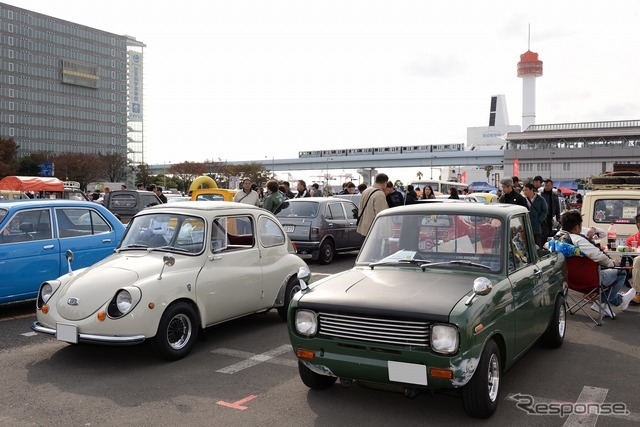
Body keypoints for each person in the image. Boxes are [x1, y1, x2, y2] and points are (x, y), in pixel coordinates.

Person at [559, 210, 635, 317]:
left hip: (567, 280)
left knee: (609, 273)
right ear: (576, 227)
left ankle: (620, 300)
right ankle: (601, 303)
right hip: (588, 280)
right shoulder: (577, 239)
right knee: (621, 272)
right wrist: (612, 263)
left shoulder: (555, 239)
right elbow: (598, 255)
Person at [523, 183, 548, 248]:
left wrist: (539, 220)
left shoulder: (540, 199)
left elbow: (545, 211)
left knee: (537, 246)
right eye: (523, 190)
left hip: (537, 228)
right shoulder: (523, 199)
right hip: (525, 226)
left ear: (531, 190)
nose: (524, 192)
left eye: (526, 190)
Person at [626, 214, 640, 304]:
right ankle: (638, 292)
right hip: (637, 262)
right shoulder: (632, 239)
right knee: (637, 259)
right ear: (638, 224)